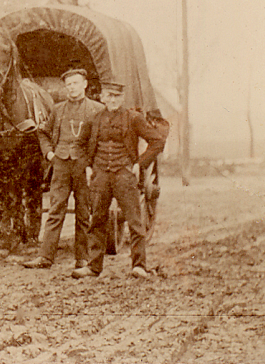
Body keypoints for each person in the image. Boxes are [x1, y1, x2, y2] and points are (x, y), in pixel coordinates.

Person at [72, 81, 165, 280]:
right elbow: (78, 145)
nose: (112, 100)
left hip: (124, 174)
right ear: (102, 97)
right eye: (109, 96)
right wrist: (88, 167)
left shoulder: (134, 119)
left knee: (134, 220)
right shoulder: (94, 119)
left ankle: (139, 265)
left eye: (116, 96)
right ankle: (93, 267)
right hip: (100, 176)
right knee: (97, 220)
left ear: (122, 98)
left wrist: (140, 163)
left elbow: (158, 141)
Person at [25, 68, 104, 270]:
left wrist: (92, 165)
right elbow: (42, 132)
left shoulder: (97, 110)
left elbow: (102, 139)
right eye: (68, 84)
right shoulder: (58, 109)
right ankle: (45, 257)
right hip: (60, 164)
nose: (72, 88)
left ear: (84, 84)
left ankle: (82, 258)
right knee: (55, 209)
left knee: (83, 211)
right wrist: (49, 154)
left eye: (75, 83)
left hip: (83, 166)